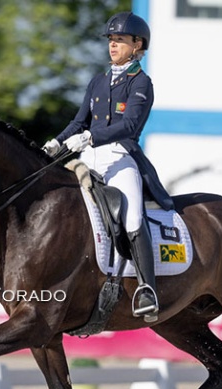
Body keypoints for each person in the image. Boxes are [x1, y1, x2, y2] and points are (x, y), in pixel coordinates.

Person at [43, 11, 173, 322]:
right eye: (111, 40)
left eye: (120, 40)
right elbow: (78, 121)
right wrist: (57, 142)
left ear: (137, 44)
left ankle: (146, 288)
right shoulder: (98, 81)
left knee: (131, 217)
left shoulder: (141, 83)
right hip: (89, 157)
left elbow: (129, 125)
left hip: (120, 156)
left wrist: (90, 137)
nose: (113, 45)